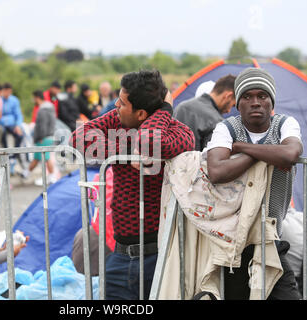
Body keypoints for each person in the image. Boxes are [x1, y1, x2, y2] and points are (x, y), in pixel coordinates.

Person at [71, 69, 194, 300]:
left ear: (140, 113)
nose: (115, 104)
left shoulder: (180, 132)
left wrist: (165, 110)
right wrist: (128, 151)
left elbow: (149, 142)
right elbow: (78, 138)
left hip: (160, 258)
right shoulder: (119, 122)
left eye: (122, 102)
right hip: (119, 256)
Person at [206, 67, 303, 300]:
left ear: (272, 103)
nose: (256, 102)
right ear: (237, 105)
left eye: (262, 96)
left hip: (270, 237)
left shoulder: (285, 124)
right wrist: (266, 154)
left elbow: (290, 154)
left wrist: (239, 149)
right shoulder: (226, 128)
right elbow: (216, 171)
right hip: (233, 243)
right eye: (247, 97)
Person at [174, 74, 236, 151]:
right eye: (232, 105)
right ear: (228, 96)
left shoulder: (181, 106)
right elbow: (211, 158)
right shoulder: (216, 121)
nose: (228, 111)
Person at [27, 90, 58, 185]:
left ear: (37, 97)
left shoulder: (42, 110)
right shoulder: (50, 107)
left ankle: (51, 177)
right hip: (50, 135)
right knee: (39, 158)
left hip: (43, 137)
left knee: (46, 158)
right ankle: (26, 173)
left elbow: (42, 125)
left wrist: (39, 137)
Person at [0, 82, 25, 174]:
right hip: (1, 124)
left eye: (9, 92)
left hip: (12, 124)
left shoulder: (14, 100)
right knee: (2, 133)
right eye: (6, 92)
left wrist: (18, 125)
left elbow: (18, 114)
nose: (7, 94)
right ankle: (6, 154)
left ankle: (14, 157)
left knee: (20, 135)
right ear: (3, 91)